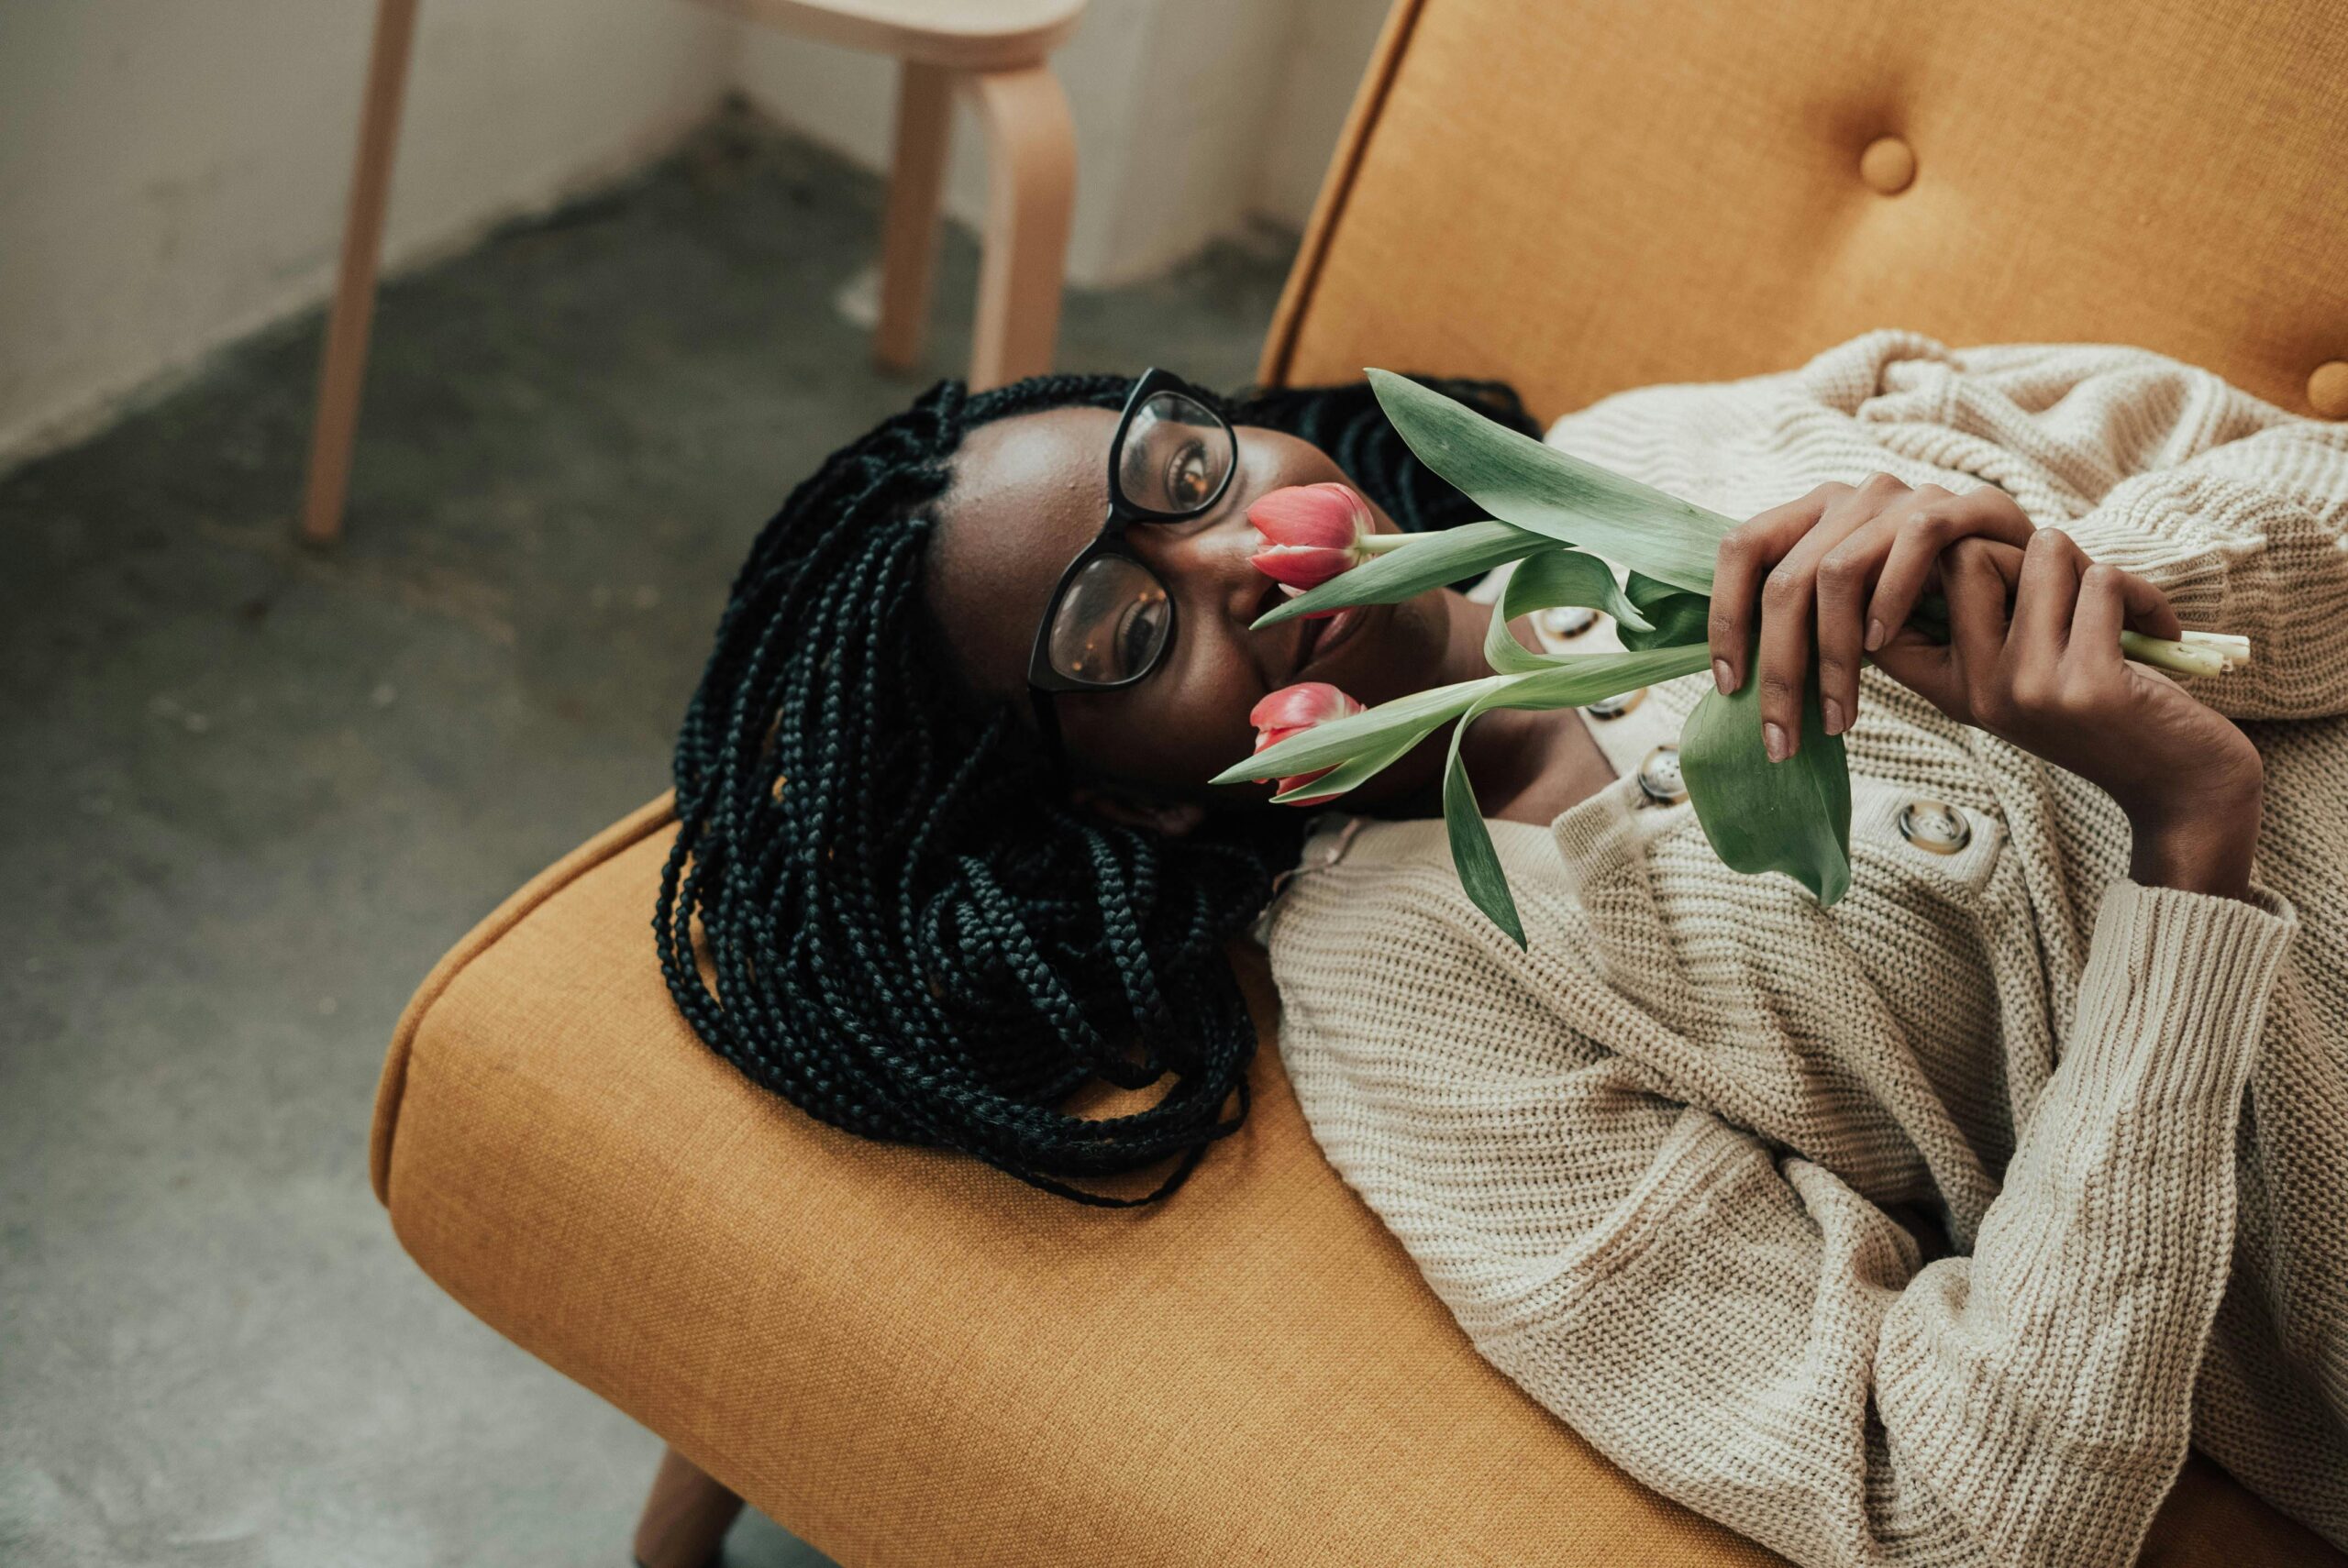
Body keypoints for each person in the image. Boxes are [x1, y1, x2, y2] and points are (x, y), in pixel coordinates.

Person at [659, 331, 2348, 1565]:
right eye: (1124, 630)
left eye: (1184, 472)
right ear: (1138, 805)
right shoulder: (1416, 1004)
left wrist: (2108, 587)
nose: (1238, 558)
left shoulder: (1682, 442)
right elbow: (1967, 1507)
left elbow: (2287, 466)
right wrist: (2181, 870)